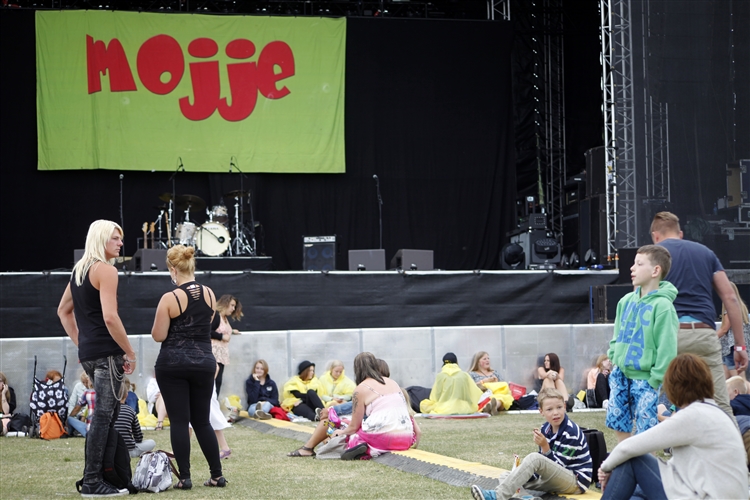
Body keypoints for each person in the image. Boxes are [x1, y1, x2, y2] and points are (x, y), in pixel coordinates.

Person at [57, 219, 136, 497]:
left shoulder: (79, 271)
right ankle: (92, 481)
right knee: (104, 417)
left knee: (107, 417)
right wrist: (130, 351)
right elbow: (110, 317)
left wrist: (82, 344)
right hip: (106, 353)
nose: (120, 242)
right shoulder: (105, 270)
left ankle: (106, 476)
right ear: (101, 239)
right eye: (115, 238)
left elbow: (62, 312)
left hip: (91, 354)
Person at [598, 354, 748, 499]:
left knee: (634, 460)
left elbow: (628, 448)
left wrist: (605, 468)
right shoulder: (714, 412)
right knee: (637, 494)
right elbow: (678, 467)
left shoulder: (692, 416)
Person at [651, 211, 747, 421]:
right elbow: (730, 298)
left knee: (652, 401)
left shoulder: (654, 256)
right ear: (681, 233)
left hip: (669, 336)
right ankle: (735, 451)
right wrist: (739, 346)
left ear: (655, 236)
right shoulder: (705, 253)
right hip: (704, 334)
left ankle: (648, 449)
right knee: (721, 404)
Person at [151, 244, 225, 489]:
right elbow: (206, 325)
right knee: (202, 420)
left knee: (181, 421)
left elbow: (159, 335)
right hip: (204, 361)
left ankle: (184, 478)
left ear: (173, 269)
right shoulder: (210, 294)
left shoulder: (169, 298)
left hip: (173, 363)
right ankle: (217, 475)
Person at [606, 245, 678, 442]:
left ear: (656, 270)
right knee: (619, 423)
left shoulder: (663, 306)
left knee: (646, 431)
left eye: (639, 264)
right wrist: (614, 359)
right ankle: (626, 468)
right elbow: (616, 335)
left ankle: (646, 469)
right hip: (620, 374)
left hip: (646, 379)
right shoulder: (625, 301)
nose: (632, 268)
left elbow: (667, 349)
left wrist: (654, 379)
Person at [287, 352, 420, 459]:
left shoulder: (361, 388)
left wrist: (340, 431)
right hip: (405, 439)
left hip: (382, 438)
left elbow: (353, 427)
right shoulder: (393, 383)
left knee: (337, 426)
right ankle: (356, 445)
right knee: (343, 424)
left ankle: (309, 448)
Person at [470, 387, 592, 500]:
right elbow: (545, 467)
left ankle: (497, 496)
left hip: (575, 481)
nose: (555, 412)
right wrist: (522, 476)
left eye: (559, 407)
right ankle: (526, 498)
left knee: (534, 459)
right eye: (549, 409)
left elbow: (558, 467)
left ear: (565, 407)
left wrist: (545, 447)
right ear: (541, 411)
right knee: (507, 475)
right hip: (555, 478)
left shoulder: (571, 432)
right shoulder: (545, 428)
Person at [420, 352, 484, 415]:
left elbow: (435, 396)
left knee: (424, 404)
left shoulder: (440, 375)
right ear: (456, 362)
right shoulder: (464, 375)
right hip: (464, 408)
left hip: (444, 408)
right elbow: (474, 392)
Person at [210, 294, 242, 397]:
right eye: (232, 305)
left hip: (221, 355)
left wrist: (231, 331)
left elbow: (221, 329)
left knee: (218, 383)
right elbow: (207, 331)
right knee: (213, 382)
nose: (233, 309)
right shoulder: (216, 316)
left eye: (234, 306)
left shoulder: (224, 318)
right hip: (214, 354)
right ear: (225, 304)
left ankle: (213, 407)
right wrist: (221, 337)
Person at [114, 380, 155, 459]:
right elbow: (138, 437)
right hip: (129, 450)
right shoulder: (130, 411)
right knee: (151, 443)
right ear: (126, 395)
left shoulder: (107, 411)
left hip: (110, 450)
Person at [717, 281, 750, 379]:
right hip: (737, 348)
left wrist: (709, 338)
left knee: (738, 381)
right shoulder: (741, 307)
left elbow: (724, 328)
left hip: (731, 349)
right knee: (726, 381)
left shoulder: (729, 310)